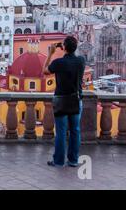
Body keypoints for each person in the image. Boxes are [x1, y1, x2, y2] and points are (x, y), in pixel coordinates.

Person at [43, 36, 85, 167]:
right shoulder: (81, 61)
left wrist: (50, 54)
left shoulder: (58, 63)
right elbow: (74, 57)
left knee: (61, 132)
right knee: (75, 131)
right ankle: (73, 160)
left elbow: (44, 71)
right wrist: (68, 47)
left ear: (64, 48)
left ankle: (59, 161)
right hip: (76, 99)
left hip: (61, 100)